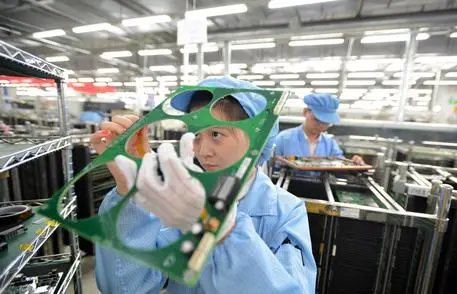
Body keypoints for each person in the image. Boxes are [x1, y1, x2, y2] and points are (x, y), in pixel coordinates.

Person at [91, 76, 316, 294]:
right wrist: (129, 193)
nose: (202, 151)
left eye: (217, 134)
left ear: (257, 138)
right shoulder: (183, 199)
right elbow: (127, 286)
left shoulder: (285, 212)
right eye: (196, 136)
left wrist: (228, 231)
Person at [274, 93, 364, 164]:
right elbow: (270, 164)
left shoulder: (330, 144)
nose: (321, 125)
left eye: (326, 122)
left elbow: (341, 165)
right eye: (317, 119)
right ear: (305, 112)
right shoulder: (283, 139)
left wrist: (354, 162)